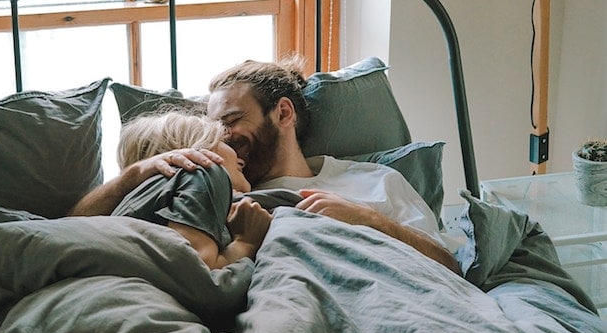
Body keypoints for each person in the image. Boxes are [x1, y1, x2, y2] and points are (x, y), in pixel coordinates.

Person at [206, 56, 461, 274]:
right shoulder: (221, 193)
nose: (222, 136)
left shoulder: (375, 180)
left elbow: (449, 267)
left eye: (231, 120)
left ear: (283, 113)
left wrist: (368, 219)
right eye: (214, 129)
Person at [70, 110, 272, 271]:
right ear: (195, 149)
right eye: (225, 143)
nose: (240, 158)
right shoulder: (200, 175)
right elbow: (201, 274)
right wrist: (246, 243)